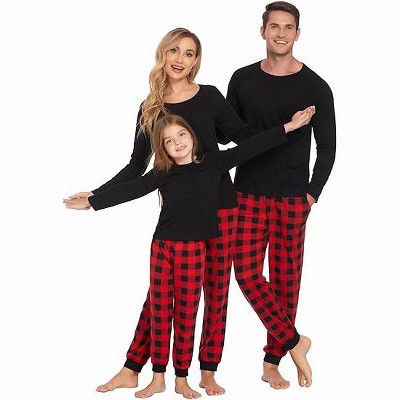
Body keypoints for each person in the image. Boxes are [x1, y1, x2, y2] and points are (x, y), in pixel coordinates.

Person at [65, 27, 311, 397]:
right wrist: (97, 195)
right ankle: (132, 368)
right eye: (175, 51)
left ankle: (207, 371)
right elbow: (136, 168)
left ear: (196, 61)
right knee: (160, 296)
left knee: (216, 293)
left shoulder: (209, 96)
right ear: (163, 54)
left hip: (222, 208)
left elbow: (243, 140)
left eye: (190, 53)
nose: (180, 59)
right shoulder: (150, 107)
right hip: (179, 215)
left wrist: (286, 128)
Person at [224, 1, 336, 389]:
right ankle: (295, 341)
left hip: (292, 199)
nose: (281, 33)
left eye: (288, 27)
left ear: (297, 34)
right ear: (263, 32)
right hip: (247, 193)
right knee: (247, 274)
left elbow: (328, 147)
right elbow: (229, 135)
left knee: (286, 283)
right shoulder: (242, 79)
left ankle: (272, 362)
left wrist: (312, 195)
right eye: (274, 26)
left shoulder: (316, 86)